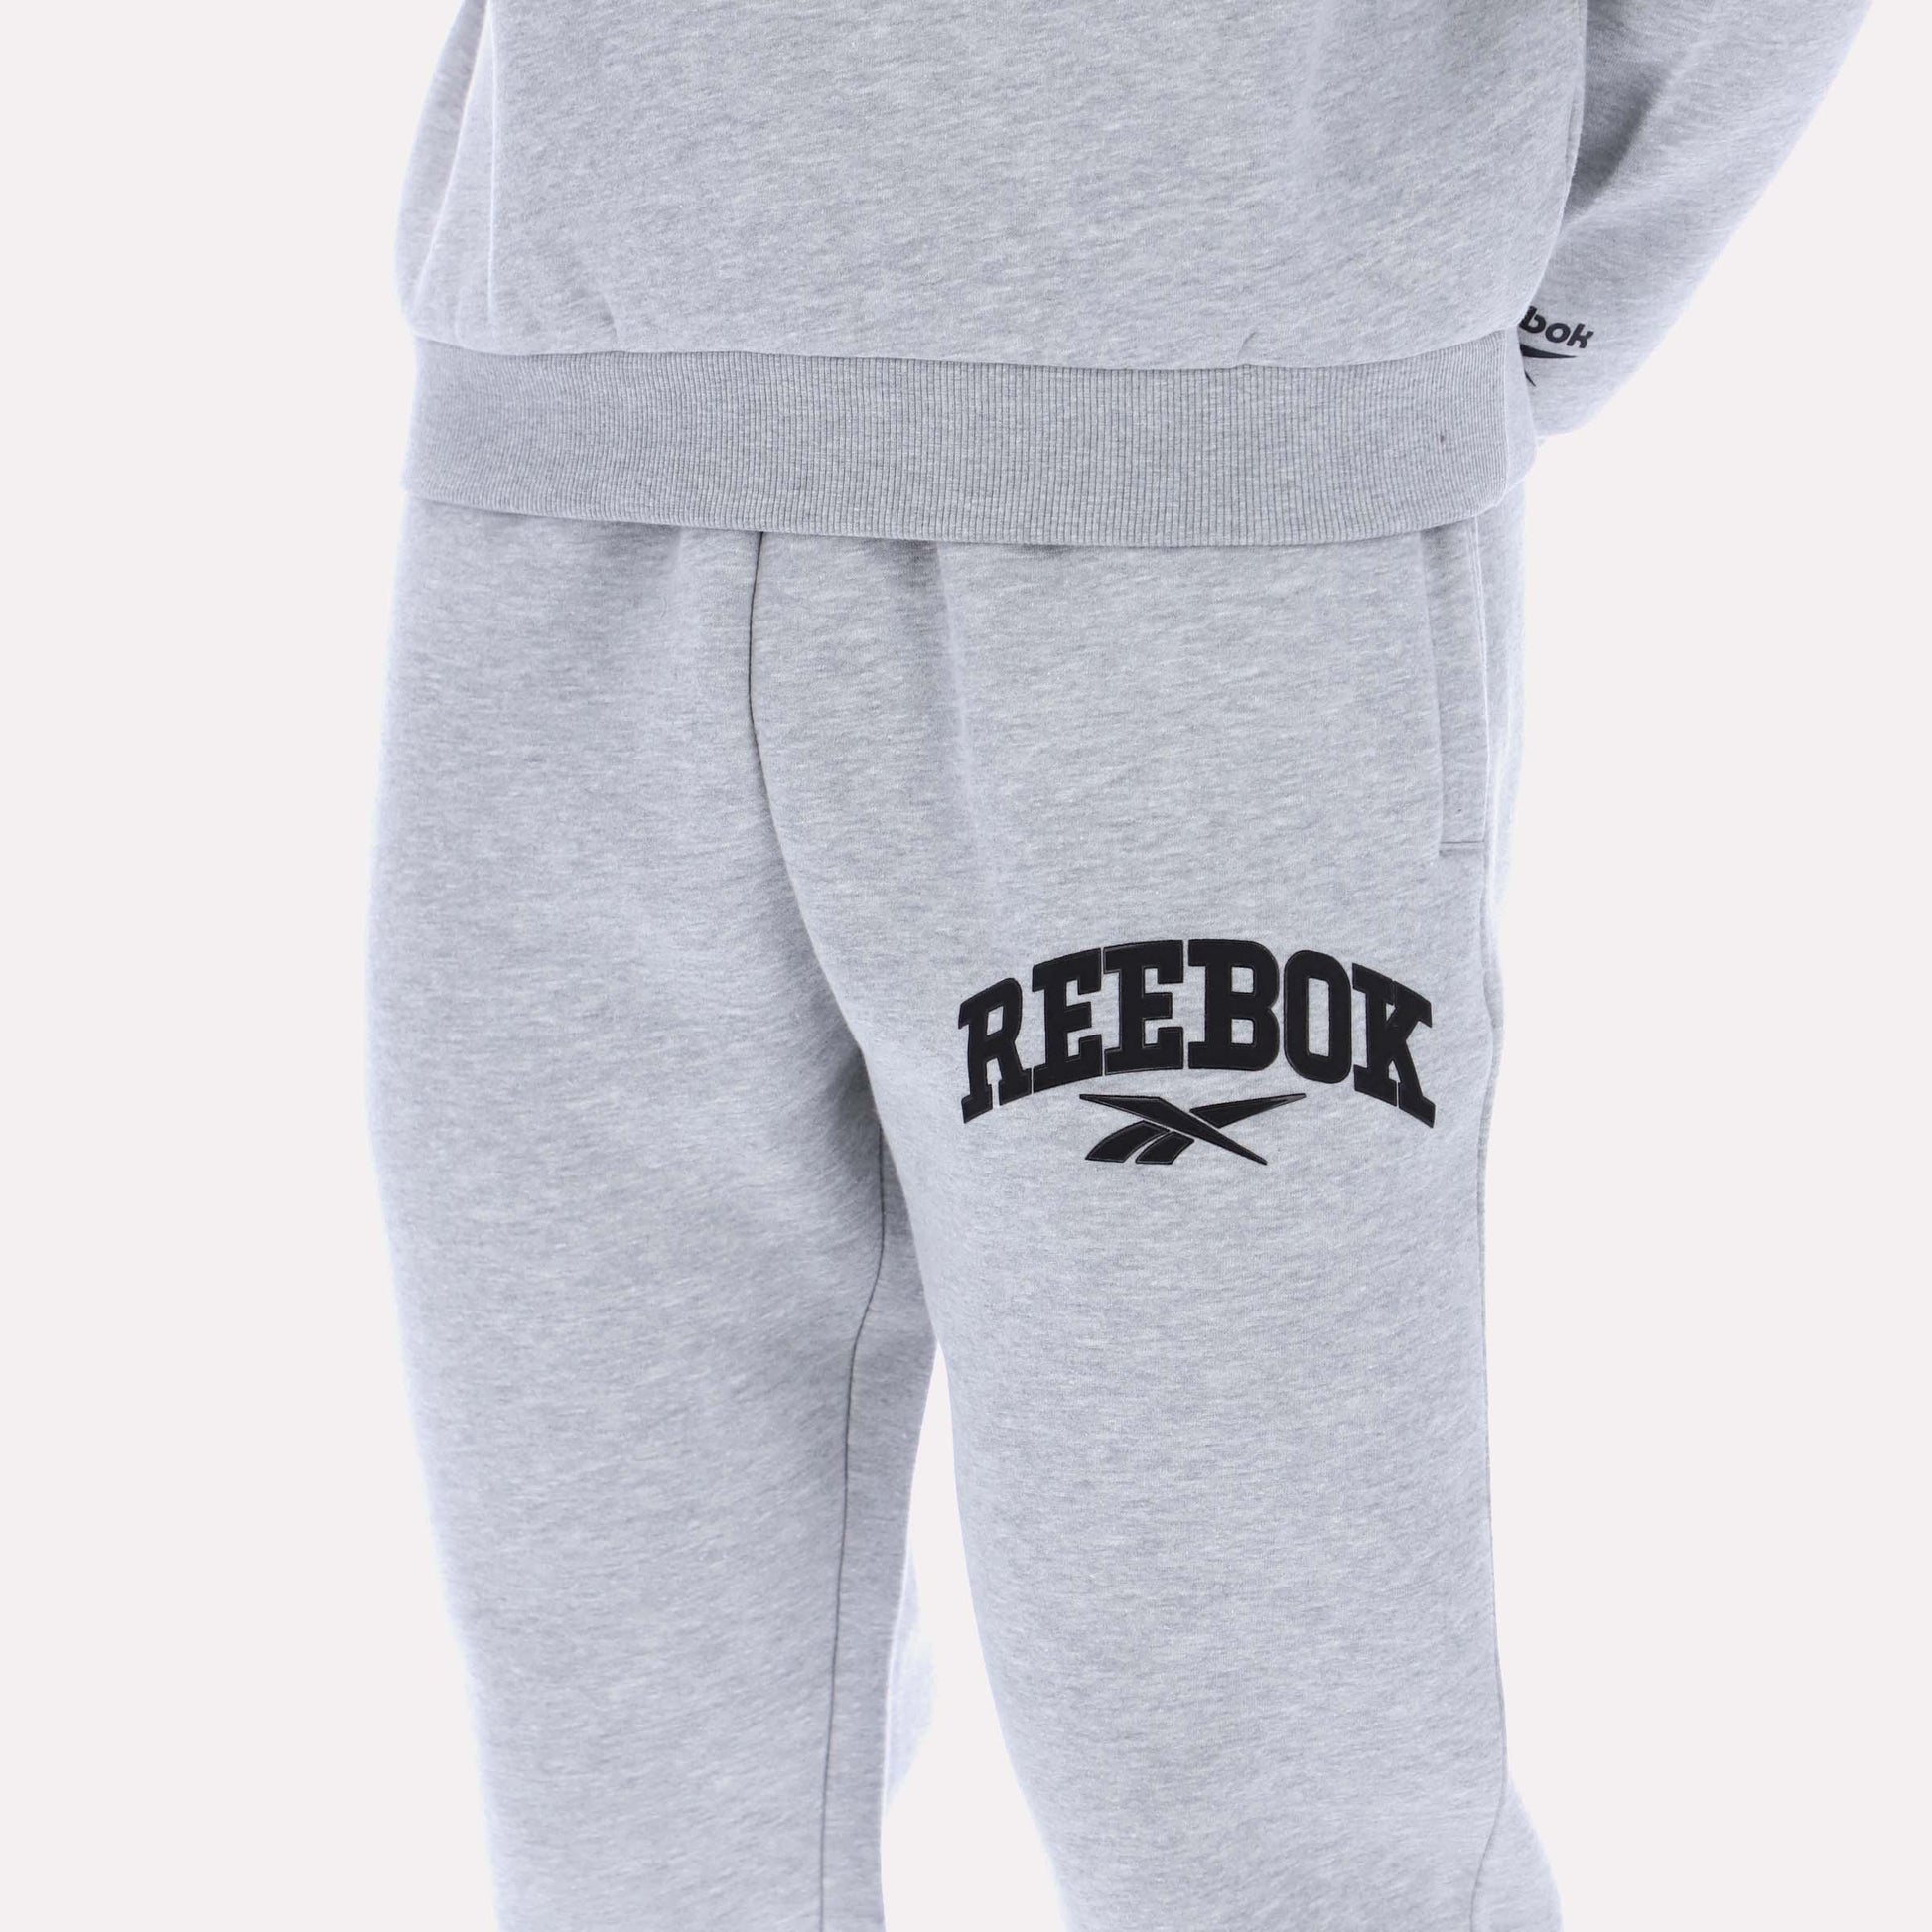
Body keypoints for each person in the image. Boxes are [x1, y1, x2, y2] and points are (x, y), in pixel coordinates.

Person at [368, 5, 1869, 1928]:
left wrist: (1447, 296)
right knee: (631, 1727)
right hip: (559, 474)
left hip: (1212, 521)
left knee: (1250, 1727)